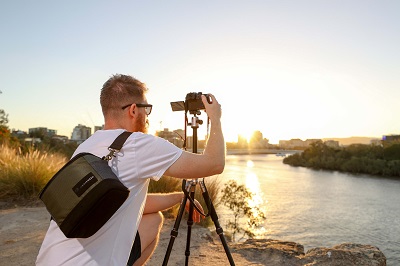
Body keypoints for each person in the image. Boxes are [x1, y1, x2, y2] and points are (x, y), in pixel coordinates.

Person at [36, 74, 225, 265]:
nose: (147, 116)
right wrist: (215, 118)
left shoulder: (85, 148)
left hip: (48, 260)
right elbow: (214, 164)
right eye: (147, 109)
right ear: (134, 110)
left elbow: (125, 202)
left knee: (153, 219)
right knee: (152, 222)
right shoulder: (137, 144)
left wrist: (179, 198)